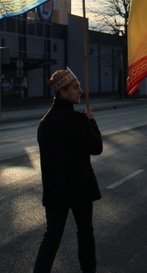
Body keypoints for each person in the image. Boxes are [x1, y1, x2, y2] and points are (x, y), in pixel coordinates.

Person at [34, 69, 103, 273]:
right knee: (85, 234)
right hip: (80, 188)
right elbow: (96, 147)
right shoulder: (78, 121)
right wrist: (92, 121)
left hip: (55, 190)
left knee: (52, 237)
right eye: (75, 87)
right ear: (63, 93)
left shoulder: (44, 123)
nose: (80, 91)